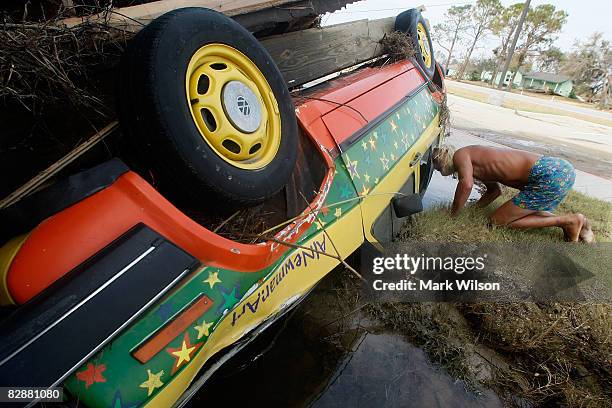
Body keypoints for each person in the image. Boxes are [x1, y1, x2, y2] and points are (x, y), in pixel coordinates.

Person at [432, 144, 594, 242]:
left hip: (547, 174)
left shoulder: (461, 155)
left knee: (498, 221)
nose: (439, 171)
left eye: (437, 167)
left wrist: (453, 215)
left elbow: (466, 185)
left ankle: (568, 221)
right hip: (559, 169)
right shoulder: (474, 162)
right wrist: (472, 209)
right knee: (522, 213)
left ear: (444, 159)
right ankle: (583, 226)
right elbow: (495, 191)